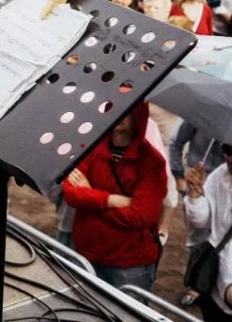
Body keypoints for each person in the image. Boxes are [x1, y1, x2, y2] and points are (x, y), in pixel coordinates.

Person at [62, 102, 168, 291]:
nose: (119, 115)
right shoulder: (90, 147)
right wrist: (111, 200)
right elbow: (70, 193)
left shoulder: (152, 162)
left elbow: (140, 216)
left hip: (130, 264)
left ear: (138, 116)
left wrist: (90, 197)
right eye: (114, 107)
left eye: (127, 111)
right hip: (88, 255)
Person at [184, 141, 232, 319]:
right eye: (227, 149)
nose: (230, 157)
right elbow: (202, 222)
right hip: (213, 285)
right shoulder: (221, 175)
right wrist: (195, 196)